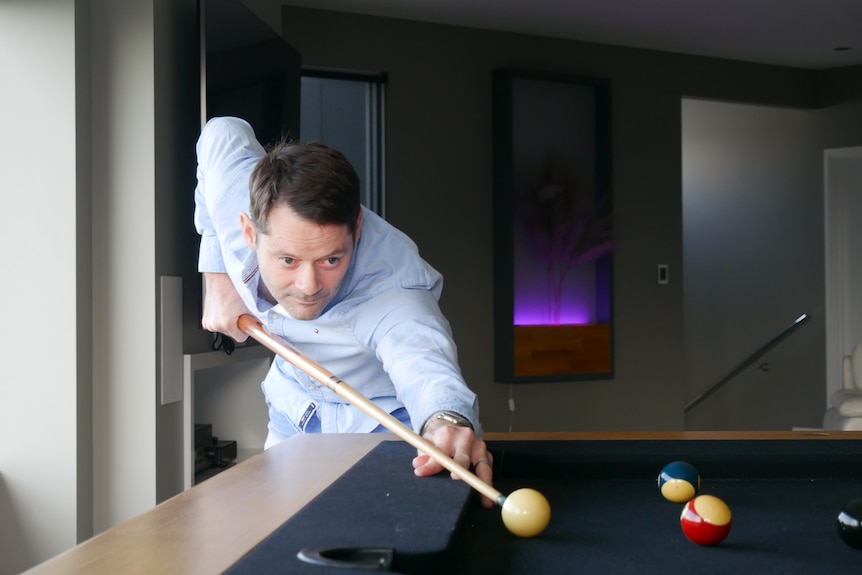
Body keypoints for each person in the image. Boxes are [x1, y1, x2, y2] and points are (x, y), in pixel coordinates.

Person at [194, 116, 493, 504]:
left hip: (387, 422)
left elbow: (422, 360)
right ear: (250, 233)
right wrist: (217, 274)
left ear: (356, 228)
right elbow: (221, 133)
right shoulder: (240, 204)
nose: (309, 286)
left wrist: (447, 419)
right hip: (294, 408)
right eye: (287, 260)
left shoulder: (391, 286)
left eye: (331, 260)